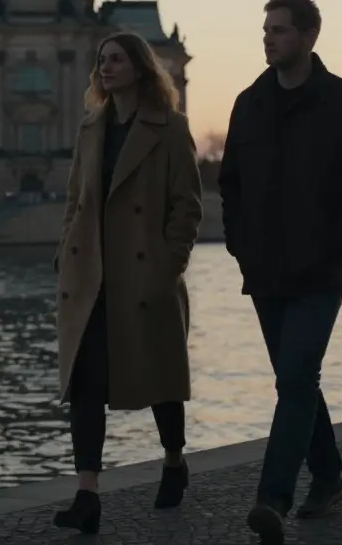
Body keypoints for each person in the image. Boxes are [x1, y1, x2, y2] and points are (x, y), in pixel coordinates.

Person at [219, 0, 342, 544]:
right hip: (264, 268)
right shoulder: (249, 103)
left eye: (280, 30)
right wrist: (238, 244)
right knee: (296, 381)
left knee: (295, 379)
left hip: (320, 270)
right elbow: (230, 184)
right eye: (266, 29)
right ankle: (330, 476)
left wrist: (336, 243)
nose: (268, 38)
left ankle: (272, 498)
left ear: (310, 36)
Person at [52, 31, 204, 533]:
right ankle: (87, 495)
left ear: (140, 68)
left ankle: (174, 460)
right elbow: (76, 199)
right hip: (92, 274)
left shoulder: (171, 128)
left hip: (143, 274)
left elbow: (186, 205)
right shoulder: (91, 126)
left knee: (161, 379)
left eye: (116, 60)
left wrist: (168, 265)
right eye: (101, 61)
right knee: (86, 384)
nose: (105, 68)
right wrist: (65, 253)